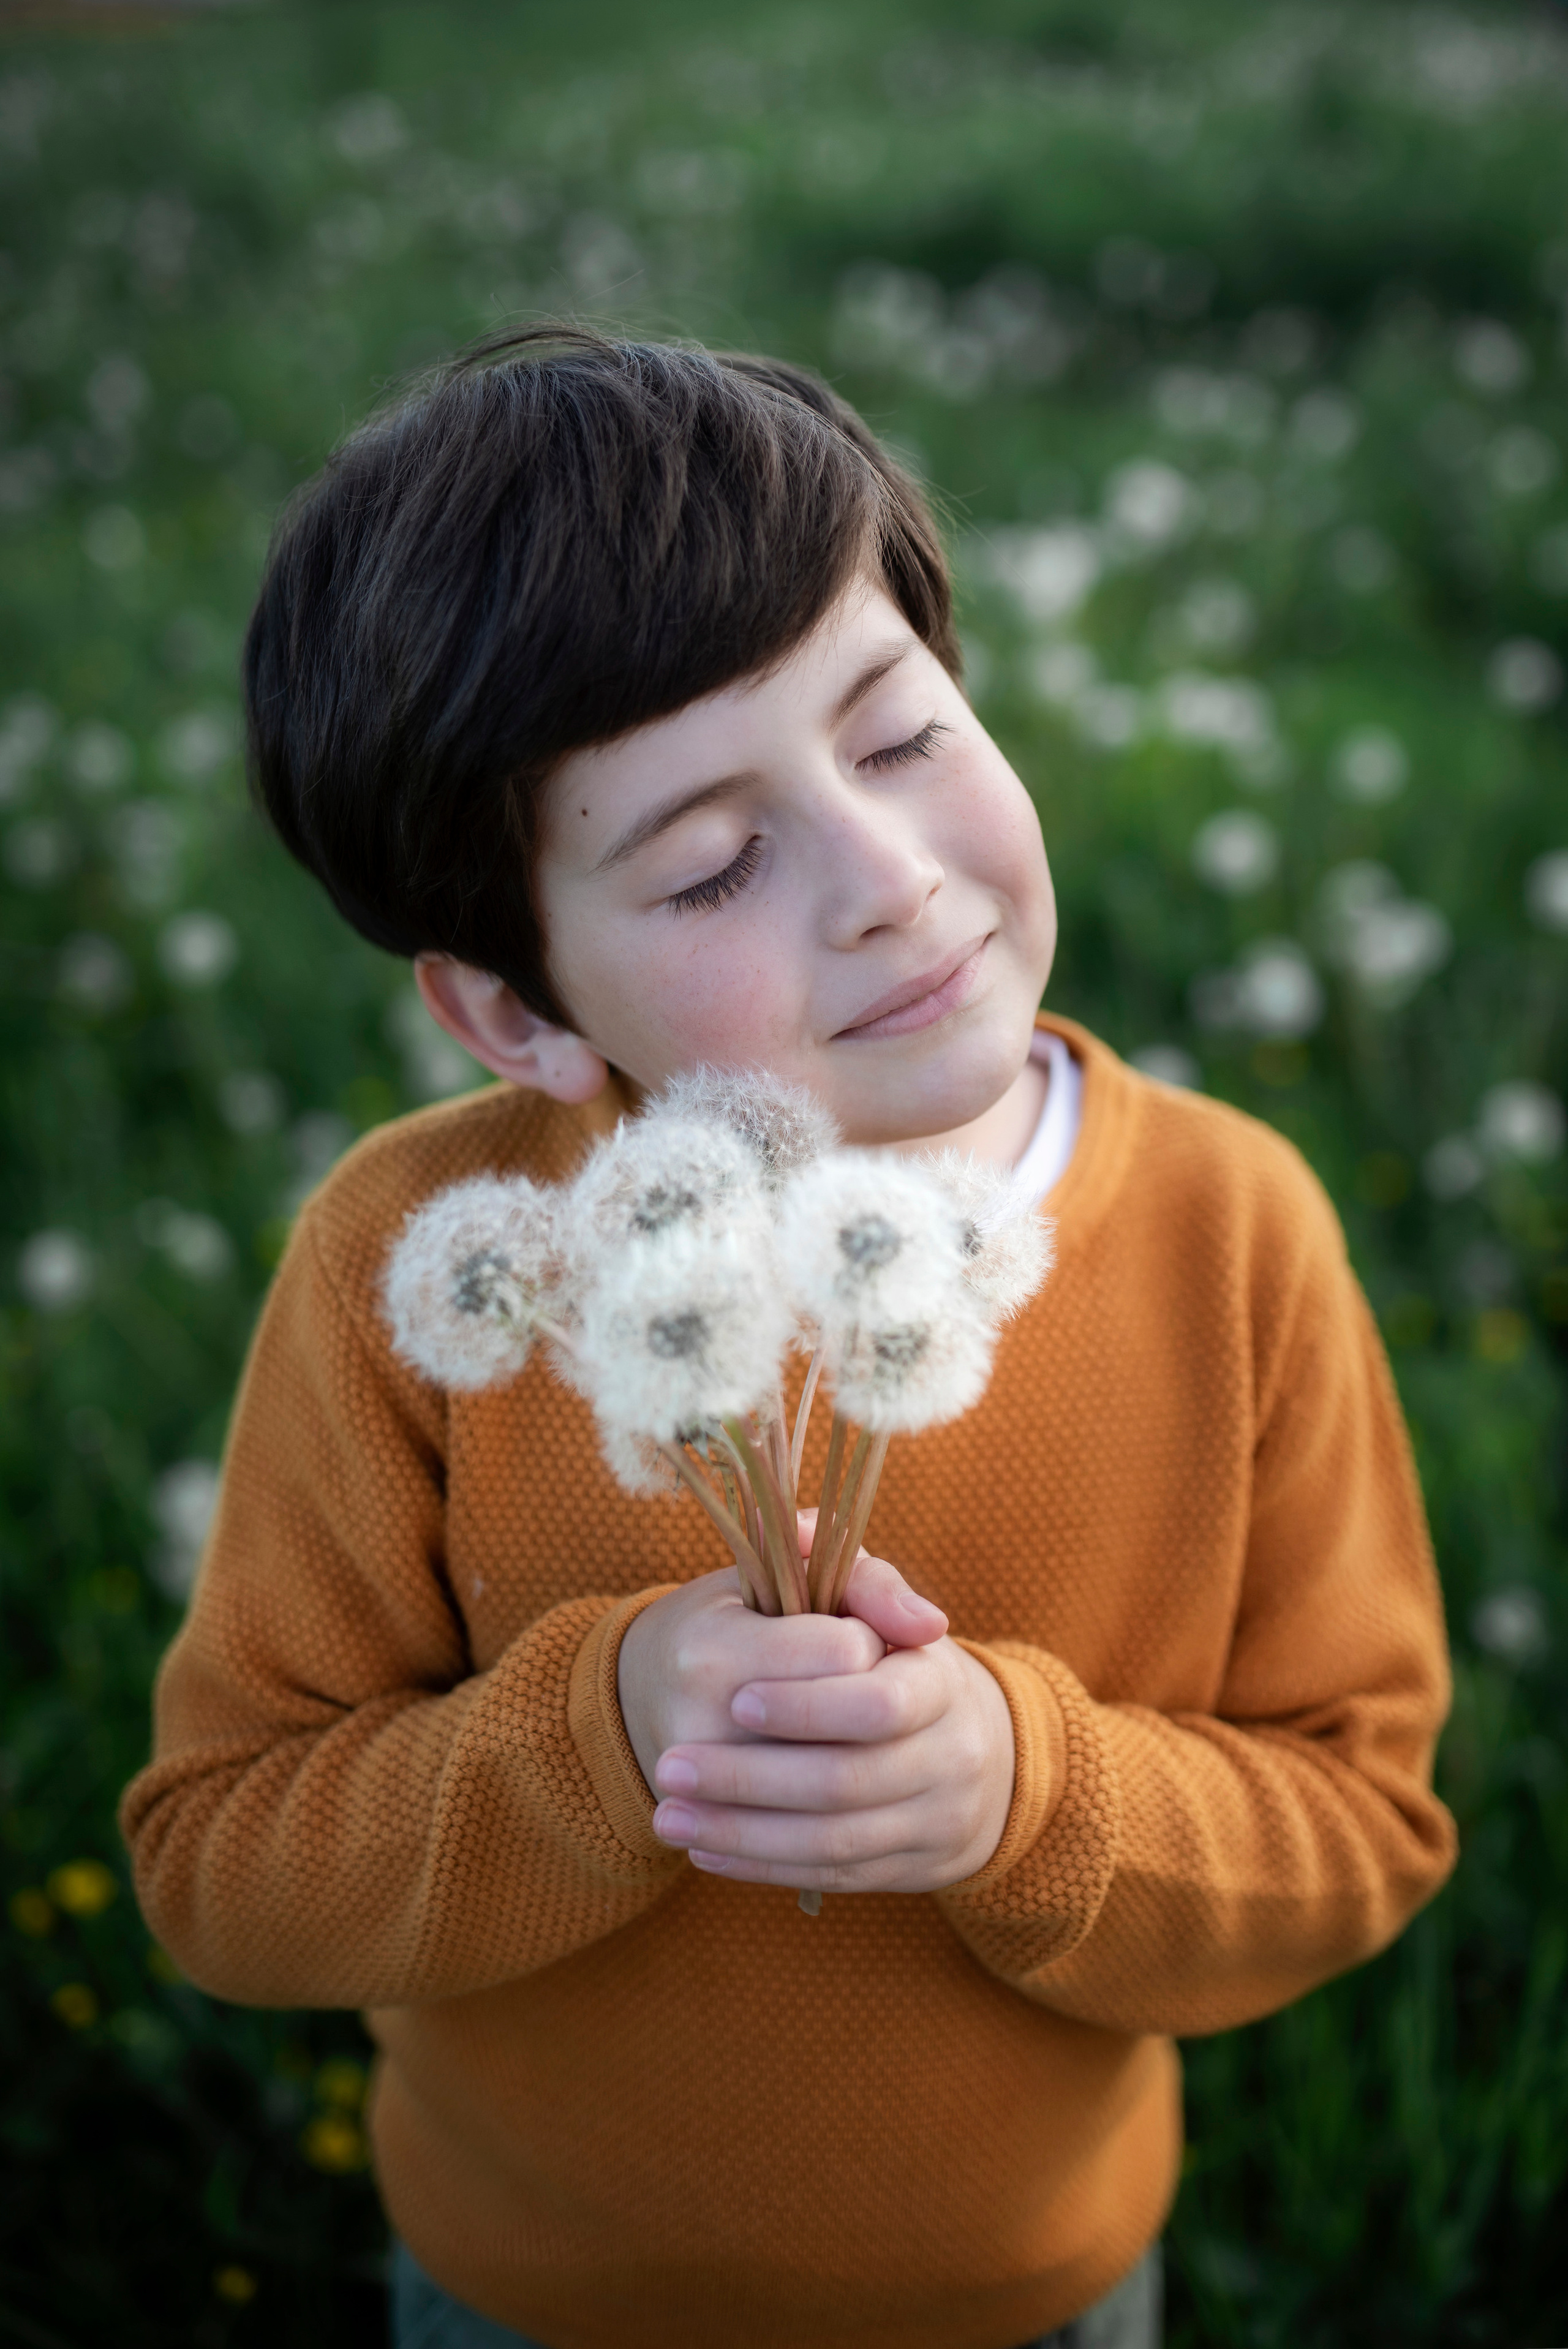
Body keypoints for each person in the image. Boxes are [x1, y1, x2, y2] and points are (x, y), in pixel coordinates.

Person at [119, 326, 1457, 2349]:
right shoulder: (421, 1264)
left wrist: (1030, 1787)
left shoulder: (1231, 1230)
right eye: (715, 860)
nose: (892, 881)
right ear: (515, 1011)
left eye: (901, 733)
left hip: (1032, 2292)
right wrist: (612, 1730)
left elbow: (1360, 1823)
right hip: (529, 2296)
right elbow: (226, 1865)